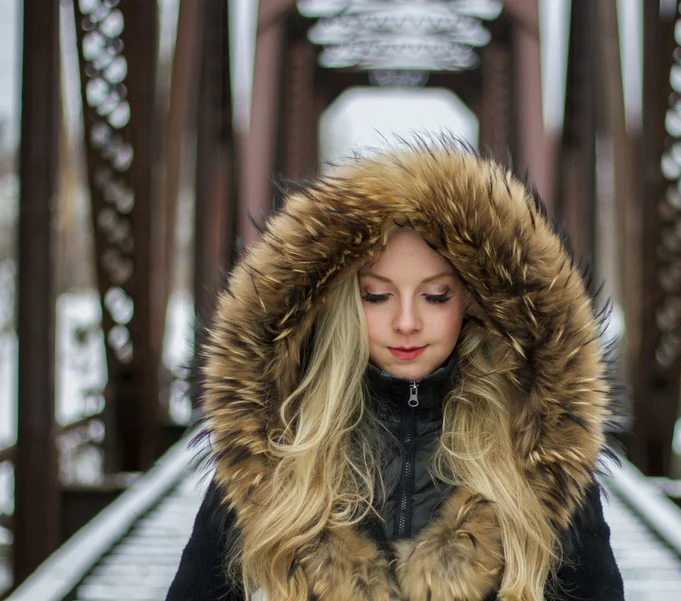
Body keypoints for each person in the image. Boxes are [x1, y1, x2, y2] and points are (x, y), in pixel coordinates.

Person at [167, 141, 625, 601]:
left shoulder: (539, 458)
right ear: (342, 304)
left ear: (471, 303)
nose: (407, 323)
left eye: (436, 296)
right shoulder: (270, 451)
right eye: (377, 296)